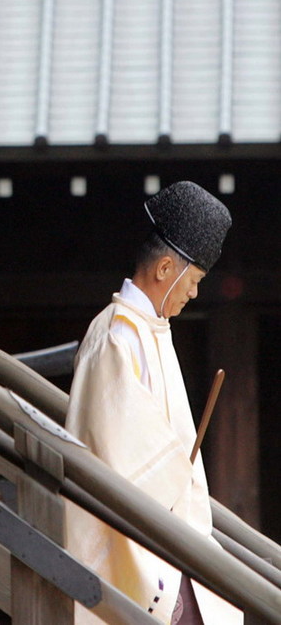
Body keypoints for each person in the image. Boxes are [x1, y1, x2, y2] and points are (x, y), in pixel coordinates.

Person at [65, 181, 243, 624]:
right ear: (165, 268)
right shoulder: (117, 335)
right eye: (195, 281)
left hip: (165, 527)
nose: (195, 294)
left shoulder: (148, 328)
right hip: (136, 536)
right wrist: (176, 467)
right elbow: (124, 457)